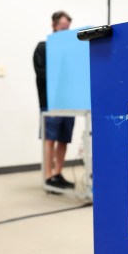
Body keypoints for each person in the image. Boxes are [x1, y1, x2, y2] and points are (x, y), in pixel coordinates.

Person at [33, 11, 76, 189]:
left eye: (68, 29)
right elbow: (41, 74)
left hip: (70, 102)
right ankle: (48, 175)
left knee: (64, 138)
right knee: (50, 138)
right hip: (50, 102)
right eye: (62, 28)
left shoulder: (70, 52)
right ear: (54, 25)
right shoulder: (43, 48)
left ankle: (58, 173)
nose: (65, 31)